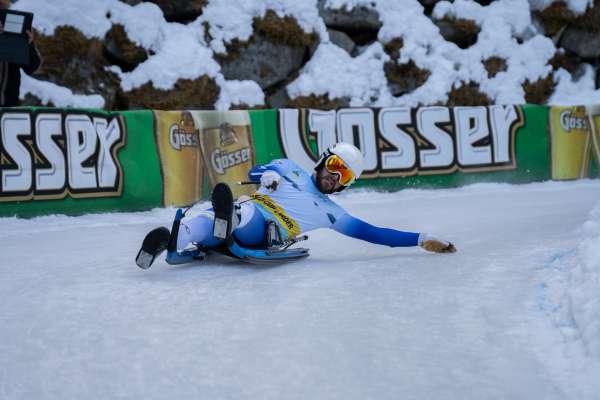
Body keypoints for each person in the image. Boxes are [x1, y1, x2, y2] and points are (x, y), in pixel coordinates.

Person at [136, 142, 456, 269]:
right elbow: (255, 172)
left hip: (266, 231)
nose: (333, 176)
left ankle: (225, 220)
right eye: (333, 165)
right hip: (251, 204)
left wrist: (419, 239)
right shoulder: (289, 168)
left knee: (241, 211)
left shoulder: (331, 213)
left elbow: (373, 233)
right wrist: (271, 176)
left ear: (345, 184)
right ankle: (167, 240)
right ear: (322, 159)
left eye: (342, 175)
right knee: (210, 215)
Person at [0, 0, 42, 107]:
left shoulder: (14, 26)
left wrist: (28, 45)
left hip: (9, 108)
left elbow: (32, 67)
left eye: (2, 5)